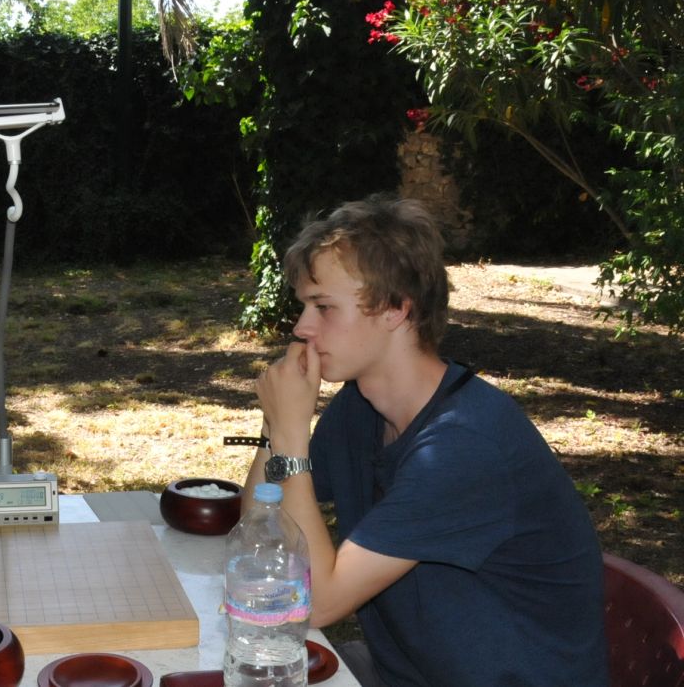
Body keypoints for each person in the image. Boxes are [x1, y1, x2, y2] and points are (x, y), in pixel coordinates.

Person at [242, 195, 608, 687]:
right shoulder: (359, 408)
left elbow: (317, 602)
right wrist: (275, 425)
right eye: (305, 305)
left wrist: (289, 435)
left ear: (395, 309)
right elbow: (259, 520)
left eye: (323, 307)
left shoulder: (462, 447)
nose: (301, 327)